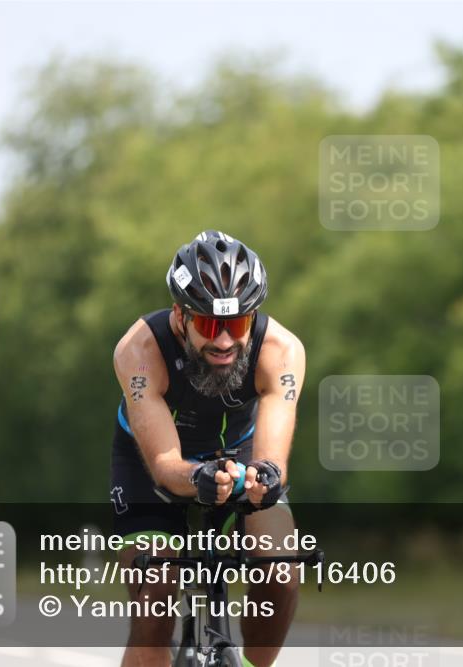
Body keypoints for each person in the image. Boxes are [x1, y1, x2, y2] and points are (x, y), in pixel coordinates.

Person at [110, 231, 305, 667]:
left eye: (236, 325)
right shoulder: (139, 351)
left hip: (240, 457)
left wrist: (265, 478)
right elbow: (165, 465)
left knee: (283, 570)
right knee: (155, 597)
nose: (223, 342)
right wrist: (195, 477)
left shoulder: (282, 351)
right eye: (210, 325)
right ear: (180, 316)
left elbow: (273, 459)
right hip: (150, 464)